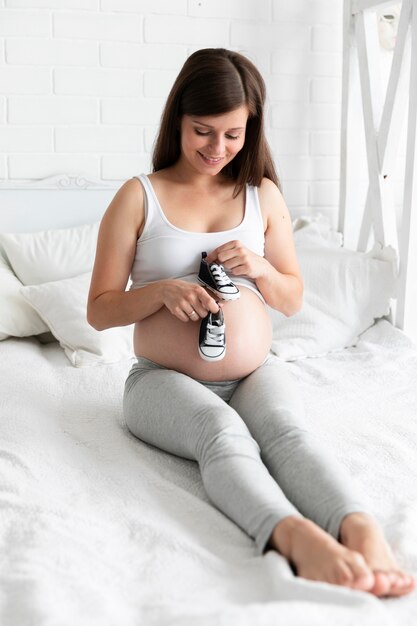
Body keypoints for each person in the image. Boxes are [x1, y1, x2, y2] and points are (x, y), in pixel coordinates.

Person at [87, 48, 415, 598]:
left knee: (290, 436)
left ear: (251, 129)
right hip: (162, 380)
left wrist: (261, 268)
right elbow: (98, 309)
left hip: (254, 372)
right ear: (178, 122)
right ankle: (296, 540)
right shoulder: (139, 196)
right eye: (203, 131)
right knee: (221, 434)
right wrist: (160, 291)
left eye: (233, 134)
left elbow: (290, 299)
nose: (217, 149)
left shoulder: (263, 196)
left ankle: (360, 531)